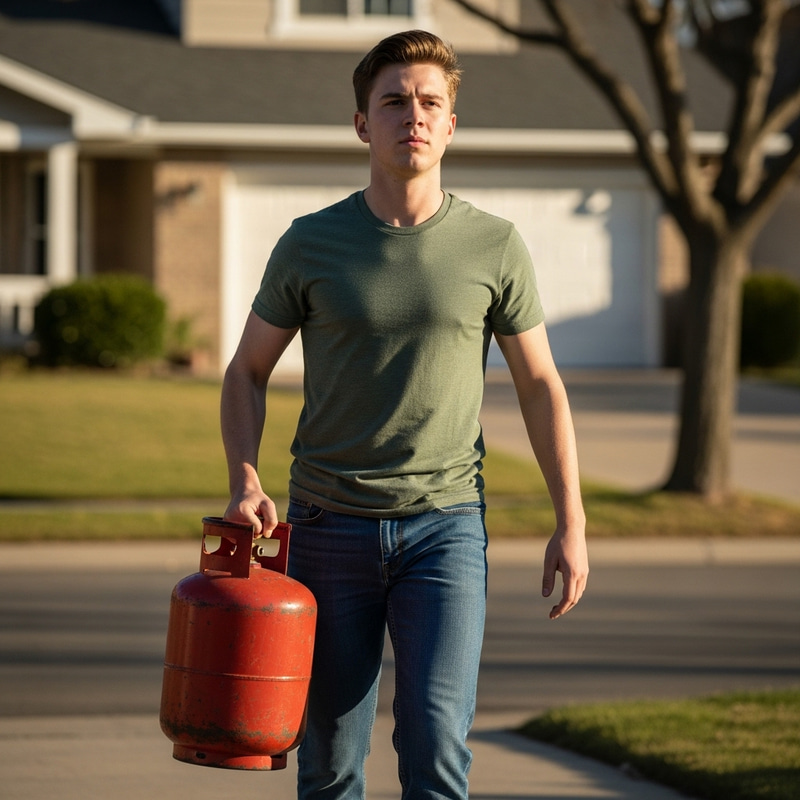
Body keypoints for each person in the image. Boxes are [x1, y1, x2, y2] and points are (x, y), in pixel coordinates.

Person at [221, 29, 588, 800]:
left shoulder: (495, 246)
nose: (411, 116)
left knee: (437, 751)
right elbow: (247, 371)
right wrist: (246, 477)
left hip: (445, 529)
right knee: (328, 766)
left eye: (429, 102)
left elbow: (541, 385)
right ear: (363, 123)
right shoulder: (309, 244)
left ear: (451, 124)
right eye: (393, 101)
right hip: (325, 529)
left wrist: (572, 520)